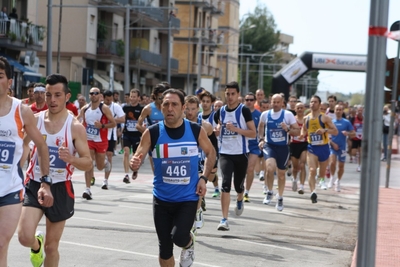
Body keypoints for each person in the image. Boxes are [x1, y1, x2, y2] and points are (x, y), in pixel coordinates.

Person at [129, 89, 215, 267]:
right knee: (165, 248)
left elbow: (211, 153)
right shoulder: (152, 133)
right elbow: (138, 156)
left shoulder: (195, 130)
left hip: (187, 198)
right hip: (161, 199)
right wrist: (134, 163)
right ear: (161, 108)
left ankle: (189, 244)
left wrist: (204, 178)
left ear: (183, 107)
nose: (170, 108)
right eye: (166, 104)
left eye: (174, 104)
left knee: (179, 237)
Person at [18, 74, 92, 267]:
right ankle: (36, 245)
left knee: (52, 247)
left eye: (57, 95)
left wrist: (72, 159)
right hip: (34, 183)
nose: (52, 100)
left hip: (60, 187)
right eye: (48, 95)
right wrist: (16, 168)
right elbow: (24, 146)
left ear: (67, 96)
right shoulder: (35, 120)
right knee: (25, 237)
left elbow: (88, 163)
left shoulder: (75, 127)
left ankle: (44, 248)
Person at [0, 56, 50, 267]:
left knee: (1, 245)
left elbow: (42, 145)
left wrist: (45, 182)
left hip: (10, 189)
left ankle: (37, 245)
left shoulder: (21, 110)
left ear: (9, 82)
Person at [215, 81, 256, 230]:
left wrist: (236, 129)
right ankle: (224, 219)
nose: (230, 97)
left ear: (238, 95)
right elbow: (217, 125)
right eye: (227, 94)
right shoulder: (220, 111)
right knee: (225, 184)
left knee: (238, 185)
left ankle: (240, 197)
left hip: (241, 153)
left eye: (233, 94)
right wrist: (217, 130)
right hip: (225, 153)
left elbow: (253, 133)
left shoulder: (244, 110)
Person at [258, 94, 300, 211]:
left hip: (283, 148)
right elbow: (261, 126)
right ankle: (269, 191)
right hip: (269, 145)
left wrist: (287, 129)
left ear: (282, 103)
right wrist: (261, 139)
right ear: (271, 102)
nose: (275, 104)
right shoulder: (265, 114)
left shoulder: (288, 115)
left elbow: (297, 131)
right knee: (270, 168)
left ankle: (280, 197)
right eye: (274, 102)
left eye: (278, 102)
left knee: (281, 174)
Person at [185, 95, 219, 230]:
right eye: (187, 109)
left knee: (198, 186)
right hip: (185, 159)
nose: (190, 112)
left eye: (193, 109)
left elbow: (213, 147)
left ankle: (197, 210)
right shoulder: (180, 123)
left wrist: (214, 164)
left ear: (198, 109)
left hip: (200, 159)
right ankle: (193, 210)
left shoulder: (206, 126)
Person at [78, 87, 116, 199]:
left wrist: (102, 126)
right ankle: (87, 189)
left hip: (101, 141)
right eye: (91, 93)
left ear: (100, 96)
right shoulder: (84, 109)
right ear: (89, 95)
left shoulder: (104, 109)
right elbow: (81, 122)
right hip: (88, 140)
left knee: (99, 167)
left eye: (96, 93)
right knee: (88, 163)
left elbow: (113, 123)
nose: (93, 95)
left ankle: (104, 162)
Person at [302, 95, 338, 203]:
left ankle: (321, 177)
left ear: (319, 104)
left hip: (323, 147)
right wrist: (301, 135)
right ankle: (313, 192)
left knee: (322, 173)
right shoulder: (306, 118)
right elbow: (303, 130)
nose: (313, 104)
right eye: (311, 102)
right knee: (312, 170)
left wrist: (325, 130)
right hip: (312, 147)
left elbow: (335, 131)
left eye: (315, 102)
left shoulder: (325, 118)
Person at [136, 84, 167, 172]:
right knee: (156, 170)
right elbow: (138, 125)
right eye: (160, 98)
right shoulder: (148, 108)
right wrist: (148, 133)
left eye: (163, 98)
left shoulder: (169, 108)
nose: (162, 101)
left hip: (167, 141)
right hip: (154, 143)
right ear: (155, 96)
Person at [198, 90, 220, 198]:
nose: (205, 103)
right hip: (200, 149)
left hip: (213, 148)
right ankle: (200, 197)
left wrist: (218, 130)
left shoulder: (215, 116)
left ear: (211, 103)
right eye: (203, 101)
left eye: (208, 101)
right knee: (200, 174)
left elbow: (221, 125)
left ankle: (215, 183)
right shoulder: (197, 116)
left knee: (210, 176)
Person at [328, 104, 355, 192]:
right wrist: (332, 143)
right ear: (334, 111)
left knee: (341, 166)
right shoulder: (331, 122)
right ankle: (332, 178)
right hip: (333, 146)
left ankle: (338, 181)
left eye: (340, 110)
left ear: (343, 111)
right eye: (337, 109)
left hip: (343, 147)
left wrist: (348, 133)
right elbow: (327, 136)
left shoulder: (346, 122)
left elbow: (353, 133)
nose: (338, 111)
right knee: (332, 163)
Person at [102, 90, 125, 189]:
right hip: (99, 135)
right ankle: (91, 175)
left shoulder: (116, 107)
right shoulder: (99, 106)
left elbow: (123, 119)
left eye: (110, 100)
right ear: (103, 98)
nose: (109, 101)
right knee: (97, 157)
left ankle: (105, 180)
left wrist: (111, 120)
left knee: (109, 156)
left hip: (111, 135)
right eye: (107, 100)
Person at [121, 88, 144, 184]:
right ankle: (126, 175)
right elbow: (121, 119)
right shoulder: (125, 108)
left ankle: (135, 170)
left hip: (137, 135)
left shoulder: (142, 109)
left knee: (135, 155)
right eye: (131, 96)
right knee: (126, 152)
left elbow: (145, 120)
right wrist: (120, 127)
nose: (132, 98)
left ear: (138, 98)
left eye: (134, 97)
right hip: (126, 133)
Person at [243, 93, 262, 203]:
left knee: (250, 169)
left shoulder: (259, 115)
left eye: (251, 99)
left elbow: (262, 129)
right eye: (247, 99)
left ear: (254, 101)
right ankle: (241, 189)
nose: (249, 101)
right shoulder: (240, 113)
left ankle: (246, 192)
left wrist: (262, 140)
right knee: (241, 170)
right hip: (241, 145)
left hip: (254, 145)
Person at [290, 102, 308, 194]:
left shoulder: (307, 119)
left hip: (304, 144)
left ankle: (301, 186)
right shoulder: (292, 119)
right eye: (298, 108)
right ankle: (294, 179)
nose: (300, 109)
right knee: (295, 167)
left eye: (301, 108)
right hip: (294, 144)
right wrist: (295, 132)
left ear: (304, 108)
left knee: (302, 164)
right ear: (295, 109)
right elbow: (288, 131)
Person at [351, 106, 364, 172]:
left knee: (361, 152)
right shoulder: (353, 119)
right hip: (355, 138)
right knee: (353, 153)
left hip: (362, 138)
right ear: (357, 111)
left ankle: (359, 166)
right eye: (359, 110)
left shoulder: (365, 119)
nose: (360, 112)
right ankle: (355, 157)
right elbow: (349, 127)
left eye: (361, 110)